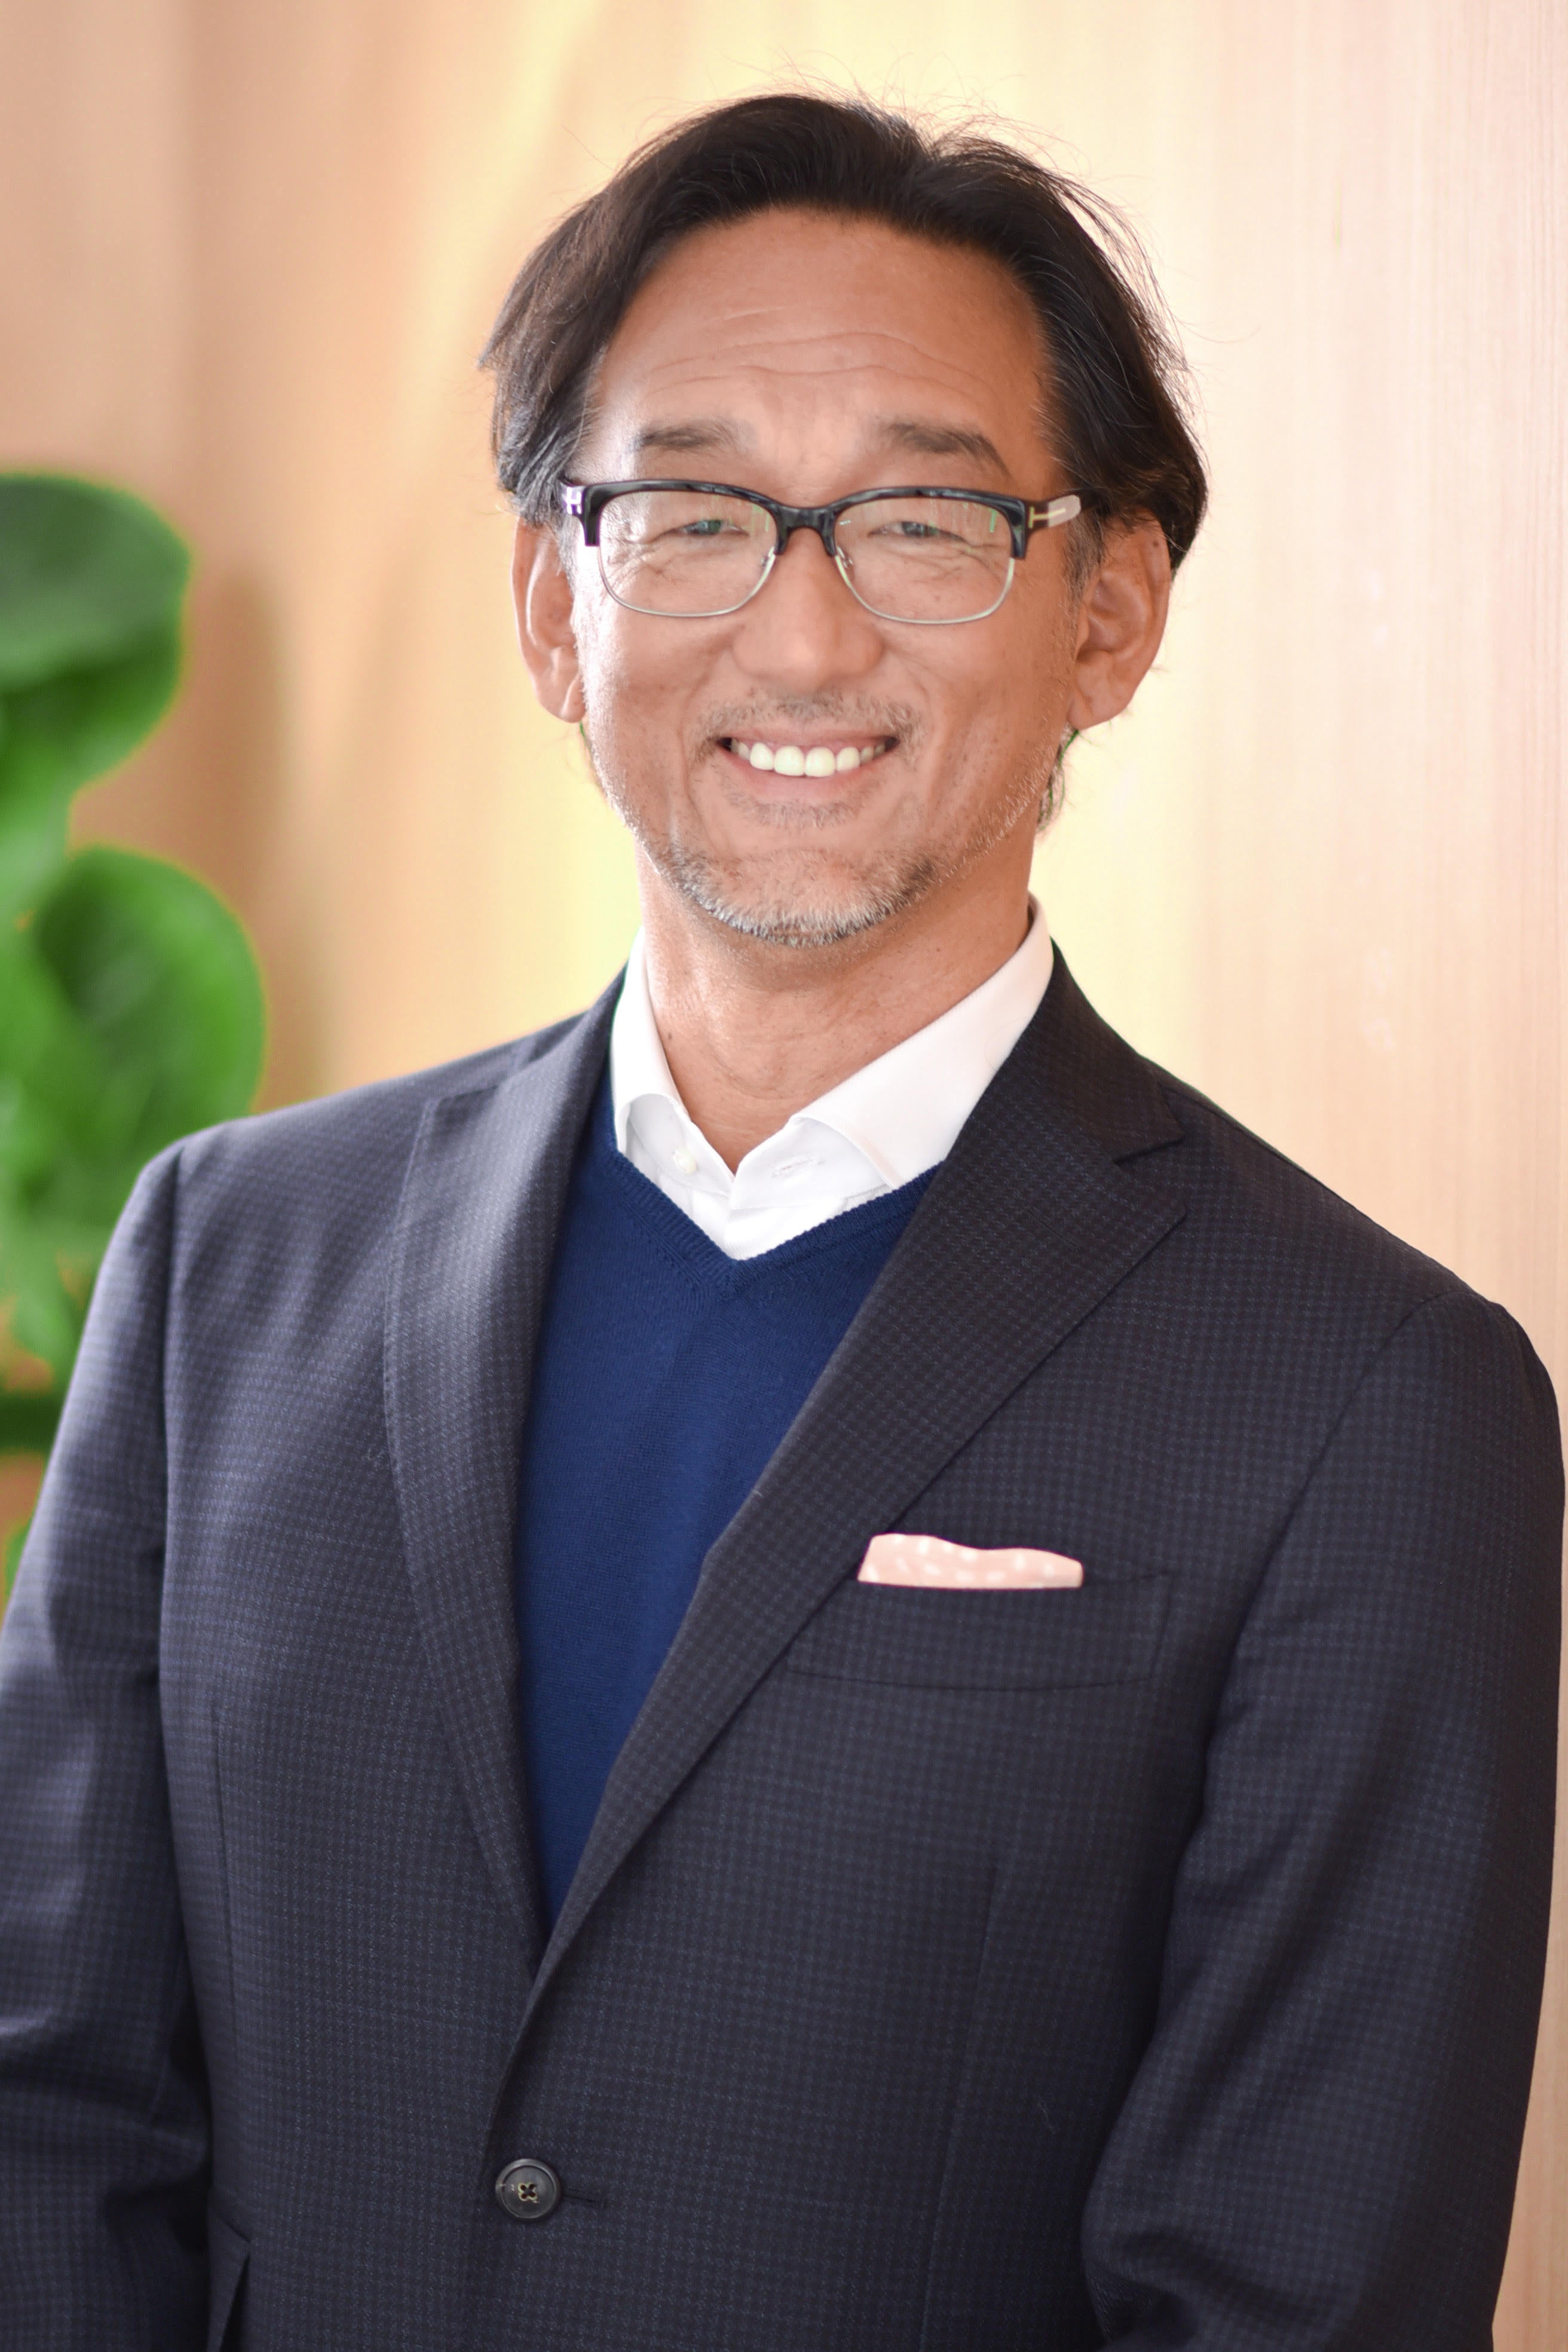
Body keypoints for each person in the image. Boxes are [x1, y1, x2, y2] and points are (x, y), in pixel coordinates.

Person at [0, 91, 1559, 2352]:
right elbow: (50, 2113)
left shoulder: (1368, 1402)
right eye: (696, 514)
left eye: (925, 520)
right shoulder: (225, 1261)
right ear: (555, 605)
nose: (805, 639)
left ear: (1110, 610)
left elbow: (1296, 2302)